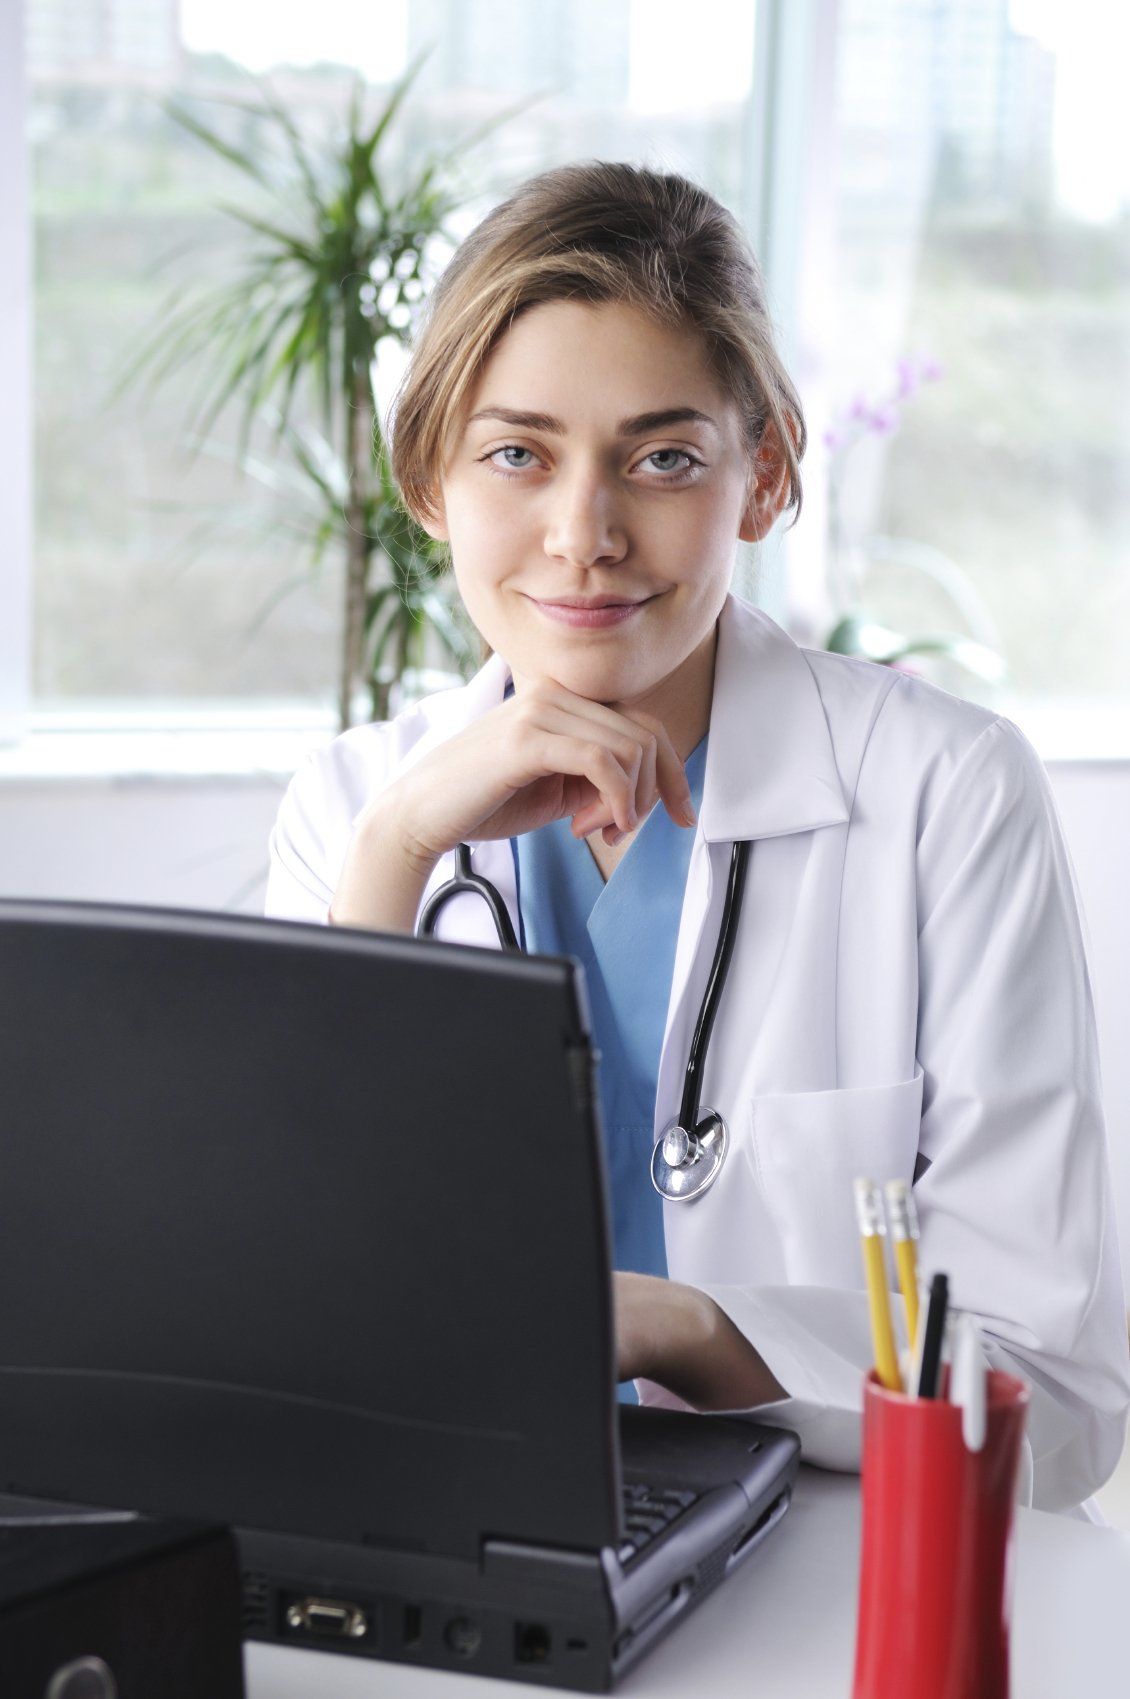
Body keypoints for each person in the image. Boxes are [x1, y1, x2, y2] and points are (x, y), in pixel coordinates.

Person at [264, 159, 1130, 1518]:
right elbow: (286, 1328)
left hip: (843, 1560)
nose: (584, 534)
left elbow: (1055, 1401)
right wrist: (392, 859)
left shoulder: (944, 794)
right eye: (516, 455)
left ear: (764, 478)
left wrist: (680, 1327)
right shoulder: (356, 805)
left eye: (662, 459)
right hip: (463, 1535)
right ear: (431, 484)